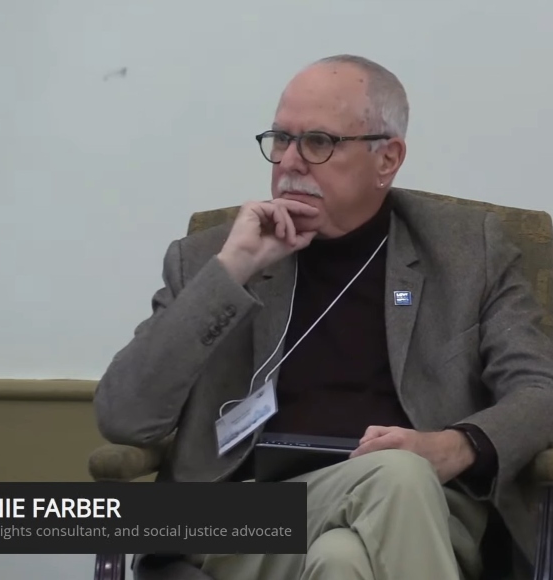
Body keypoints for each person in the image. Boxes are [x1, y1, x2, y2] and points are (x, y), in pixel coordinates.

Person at [94, 54, 553, 580]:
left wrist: (455, 446)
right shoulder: (208, 259)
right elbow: (123, 417)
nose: (289, 162)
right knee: (394, 480)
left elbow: (541, 390)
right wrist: (233, 271)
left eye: (318, 142)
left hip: (426, 512)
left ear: (388, 158)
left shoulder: (469, 252)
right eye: (280, 140)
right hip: (241, 518)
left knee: (345, 556)